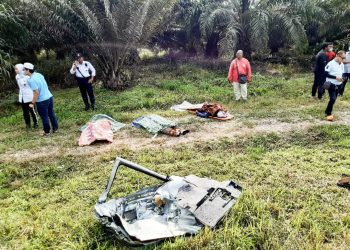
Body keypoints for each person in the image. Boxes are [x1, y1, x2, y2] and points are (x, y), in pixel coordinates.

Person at [24, 62, 59, 136]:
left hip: (42, 101)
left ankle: (47, 131)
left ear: (28, 70)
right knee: (51, 113)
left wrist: (32, 103)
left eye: (24, 70)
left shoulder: (31, 80)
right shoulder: (39, 74)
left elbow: (36, 92)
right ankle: (55, 128)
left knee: (44, 116)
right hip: (49, 96)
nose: (24, 71)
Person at [15, 64, 38, 129]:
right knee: (25, 112)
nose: (15, 70)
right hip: (22, 97)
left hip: (29, 96)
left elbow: (32, 86)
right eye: (15, 69)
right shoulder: (17, 76)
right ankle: (28, 124)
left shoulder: (27, 77)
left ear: (20, 69)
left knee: (32, 111)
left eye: (16, 69)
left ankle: (36, 123)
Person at [324, 50, 346, 121]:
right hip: (331, 84)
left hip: (338, 84)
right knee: (332, 98)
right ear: (337, 55)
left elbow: (341, 73)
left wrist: (342, 78)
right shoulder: (330, 63)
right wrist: (335, 77)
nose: (343, 59)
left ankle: (327, 110)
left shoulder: (342, 64)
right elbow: (325, 74)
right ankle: (328, 113)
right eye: (342, 58)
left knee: (334, 99)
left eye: (344, 58)